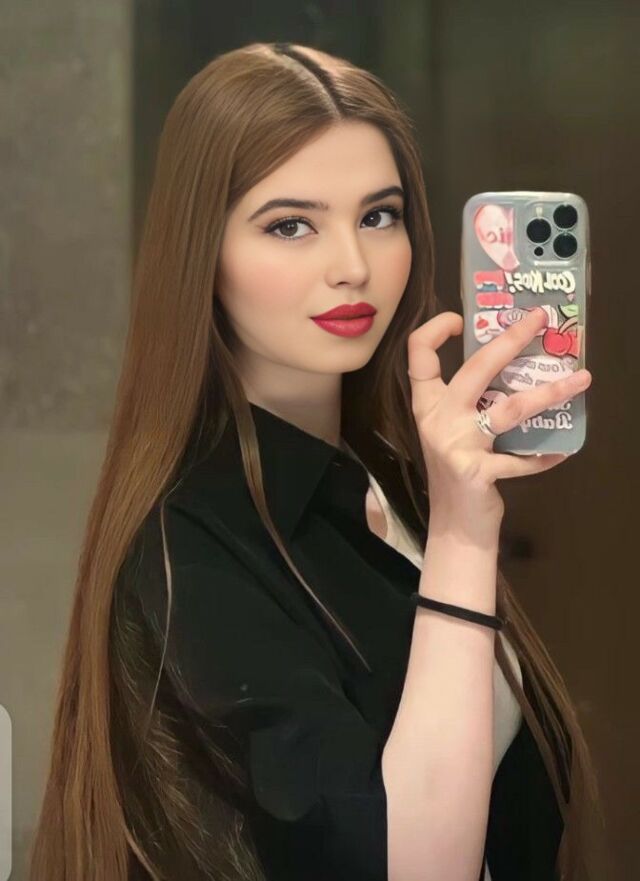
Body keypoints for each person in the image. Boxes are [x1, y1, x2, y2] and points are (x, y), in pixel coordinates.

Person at [29, 42, 605, 881]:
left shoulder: (393, 476)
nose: (353, 267)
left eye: (379, 216)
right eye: (290, 225)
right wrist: (463, 535)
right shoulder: (188, 547)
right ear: (204, 253)